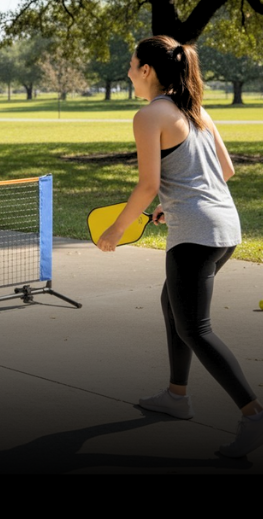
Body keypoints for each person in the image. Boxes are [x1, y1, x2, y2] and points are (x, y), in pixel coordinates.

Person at [96, 35, 263, 458]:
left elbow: (149, 185)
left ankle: (254, 414)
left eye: (132, 66)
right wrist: (175, 206)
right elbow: (223, 170)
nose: (129, 73)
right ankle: (176, 395)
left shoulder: (150, 114)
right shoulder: (197, 110)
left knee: (196, 328)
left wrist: (117, 229)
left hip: (197, 236)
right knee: (173, 304)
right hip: (225, 228)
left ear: (147, 70)